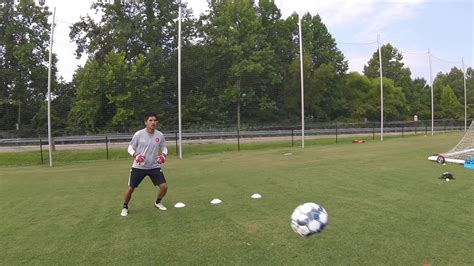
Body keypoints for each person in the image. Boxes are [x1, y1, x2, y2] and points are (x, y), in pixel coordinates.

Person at [121, 112, 168, 217]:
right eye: (150, 120)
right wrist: (135, 155)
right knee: (131, 188)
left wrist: (163, 155)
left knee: (164, 187)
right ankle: (125, 207)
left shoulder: (160, 135)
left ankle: (158, 202)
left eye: (155, 120)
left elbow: (164, 147)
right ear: (146, 122)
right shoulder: (139, 134)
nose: (153, 122)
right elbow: (130, 147)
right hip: (139, 167)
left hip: (154, 166)